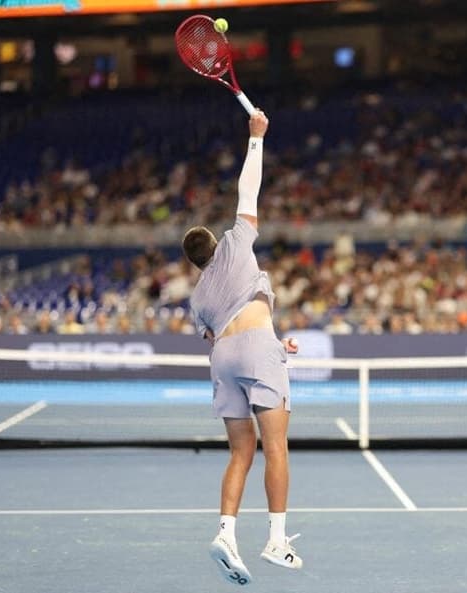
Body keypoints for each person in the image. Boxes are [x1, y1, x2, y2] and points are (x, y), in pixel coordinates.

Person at [183, 110, 301, 587]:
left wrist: (276, 343)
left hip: (224, 360)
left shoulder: (197, 297)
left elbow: (219, 335)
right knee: (277, 448)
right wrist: (256, 139)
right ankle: (276, 540)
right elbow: (247, 190)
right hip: (255, 349)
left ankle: (226, 535)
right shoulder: (236, 243)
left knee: (240, 454)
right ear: (214, 243)